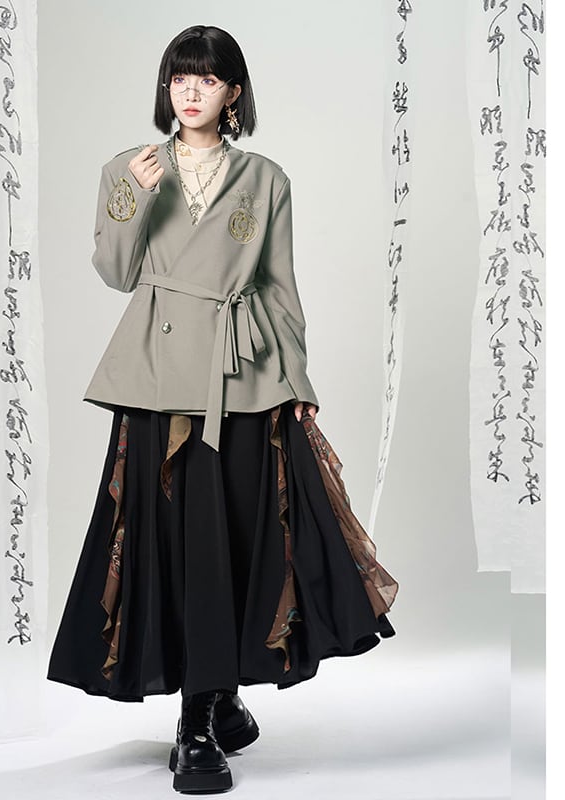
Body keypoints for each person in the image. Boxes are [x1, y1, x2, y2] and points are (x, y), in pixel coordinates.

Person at [47, 24, 399, 794]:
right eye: (180, 77)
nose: (191, 90)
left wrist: (297, 382)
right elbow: (116, 271)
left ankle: (213, 697)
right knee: (172, 541)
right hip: (157, 373)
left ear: (233, 92)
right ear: (166, 87)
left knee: (237, 535)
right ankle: (200, 716)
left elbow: (278, 285)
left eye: (207, 78)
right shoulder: (129, 168)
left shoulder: (266, 178)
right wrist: (134, 198)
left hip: (244, 374)